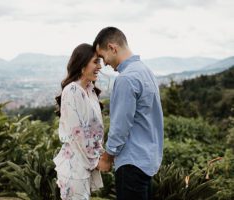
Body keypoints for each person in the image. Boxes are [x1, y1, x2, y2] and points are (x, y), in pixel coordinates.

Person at [93, 27, 164, 200]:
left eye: (103, 57)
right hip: (148, 160)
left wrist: (107, 157)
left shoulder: (126, 79)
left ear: (112, 48)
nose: (105, 64)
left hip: (132, 162)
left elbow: (120, 126)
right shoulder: (145, 71)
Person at [53, 43, 104, 200]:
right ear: (82, 65)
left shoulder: (89, 90)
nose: (100, 66)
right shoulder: (73, 91)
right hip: (74, 166)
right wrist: (97, 161)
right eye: (96, 61)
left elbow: (94, 131)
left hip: (84, 164)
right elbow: (78, 134)